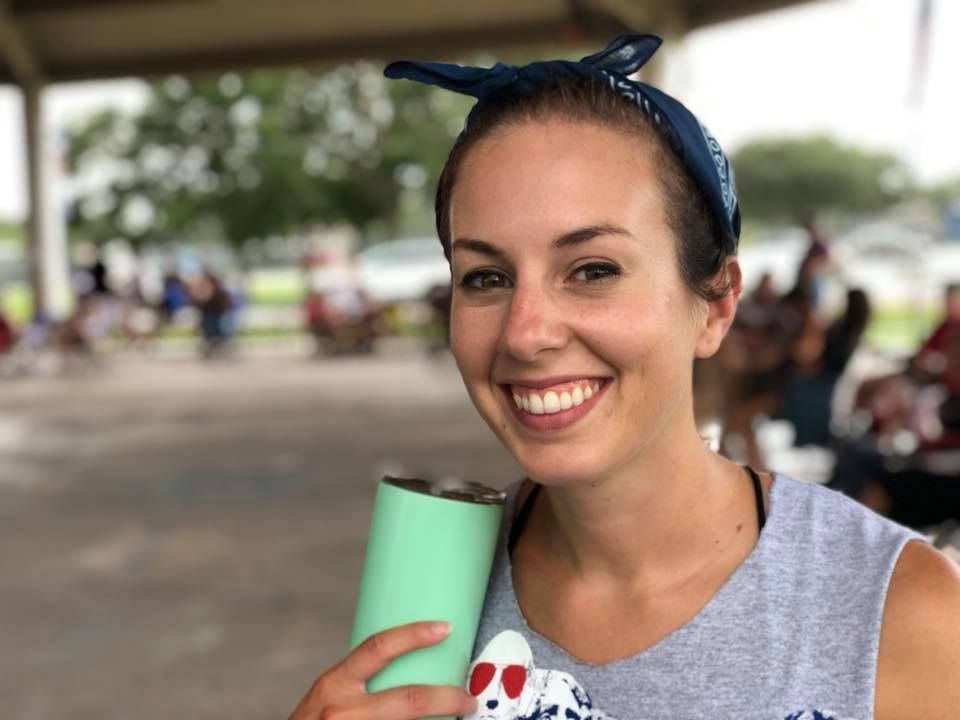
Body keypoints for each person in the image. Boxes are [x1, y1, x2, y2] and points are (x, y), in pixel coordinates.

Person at [289, 35, 960, 720]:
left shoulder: (901, 612)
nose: (525, 333)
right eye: (486, 277)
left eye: (592, 270)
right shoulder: (429, 584)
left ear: (717, 304)